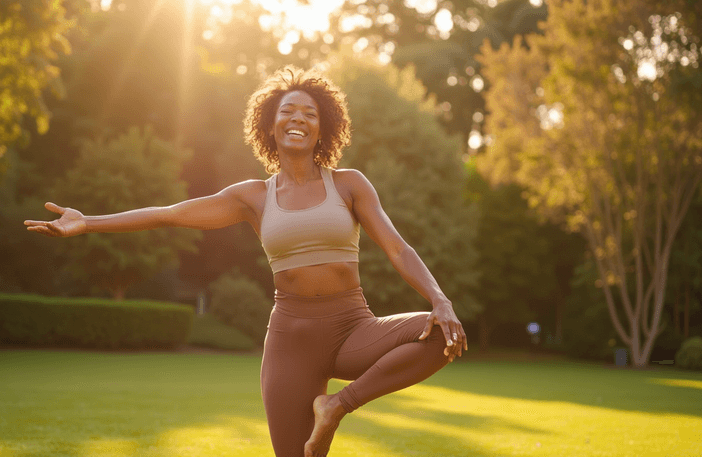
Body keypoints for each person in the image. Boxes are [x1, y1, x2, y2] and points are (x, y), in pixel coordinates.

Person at [25, 65, 467, 457]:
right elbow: (170, 215)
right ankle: (325, 414)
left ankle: (335, 406)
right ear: (270, 127)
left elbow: (398, 248)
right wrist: (88, 223)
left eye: (311, 114)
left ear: (323, 128)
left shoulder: (349, 185)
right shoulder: (254, 197)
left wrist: (439, 299)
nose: (299, 119)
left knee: (441, 333)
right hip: (290, 342)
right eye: (288, 112)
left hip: (354, 328)